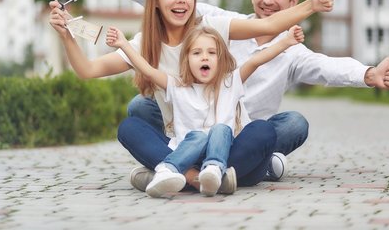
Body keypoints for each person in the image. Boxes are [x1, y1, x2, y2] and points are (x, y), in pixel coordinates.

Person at [86, 0, 389, 186]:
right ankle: (249, 169)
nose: (268, 0)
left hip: (242, 134)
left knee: (293, 123)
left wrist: (367, 73)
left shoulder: (292, 51)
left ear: (293, 2)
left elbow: (327, 66)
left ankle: (177, 168)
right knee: (140, 108)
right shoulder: (223, 25)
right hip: (193, 126)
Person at [50, 0, 333, 192]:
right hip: (184, 140)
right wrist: (67, 36)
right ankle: (200, 177)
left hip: (227, 145)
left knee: (263, 131)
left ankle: (170, 173)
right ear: (157, 1)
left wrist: (311, 6)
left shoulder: (212, 29)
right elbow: (87, 70)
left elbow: (269, 25)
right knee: (130, 125)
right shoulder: (144, 44)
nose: (181, 0)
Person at [106, 24, 305, 197]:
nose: (205, 57)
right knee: (129, 127)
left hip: (227, 156)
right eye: (197, 53)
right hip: (185, 154)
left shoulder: (230, 82)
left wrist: (286, 41)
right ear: (187, 59)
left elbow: (256, 60)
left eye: (212, 53)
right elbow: (147, 70)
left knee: (262, 129)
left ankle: (178, 177)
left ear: (220, 59)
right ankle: (193, 178)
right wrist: (124, 44)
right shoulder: (176, 86)